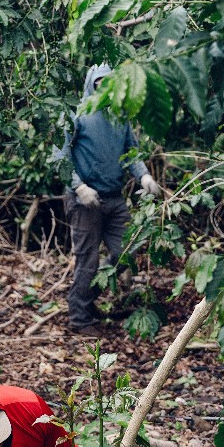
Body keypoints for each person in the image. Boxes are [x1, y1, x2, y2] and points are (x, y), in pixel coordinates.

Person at [63, 64, 162, 337]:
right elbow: (60, 157)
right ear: (90, 84)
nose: (104, 86)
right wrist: (79, 186)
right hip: (85, 202)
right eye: (99, 82)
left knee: (125, 253)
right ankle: (80, 317)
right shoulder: (77, 114)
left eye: (109, 81)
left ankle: (85, 298)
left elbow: (131, 152)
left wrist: (143, 176)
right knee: (88, 260)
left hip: (114, 198)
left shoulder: (120, 115)